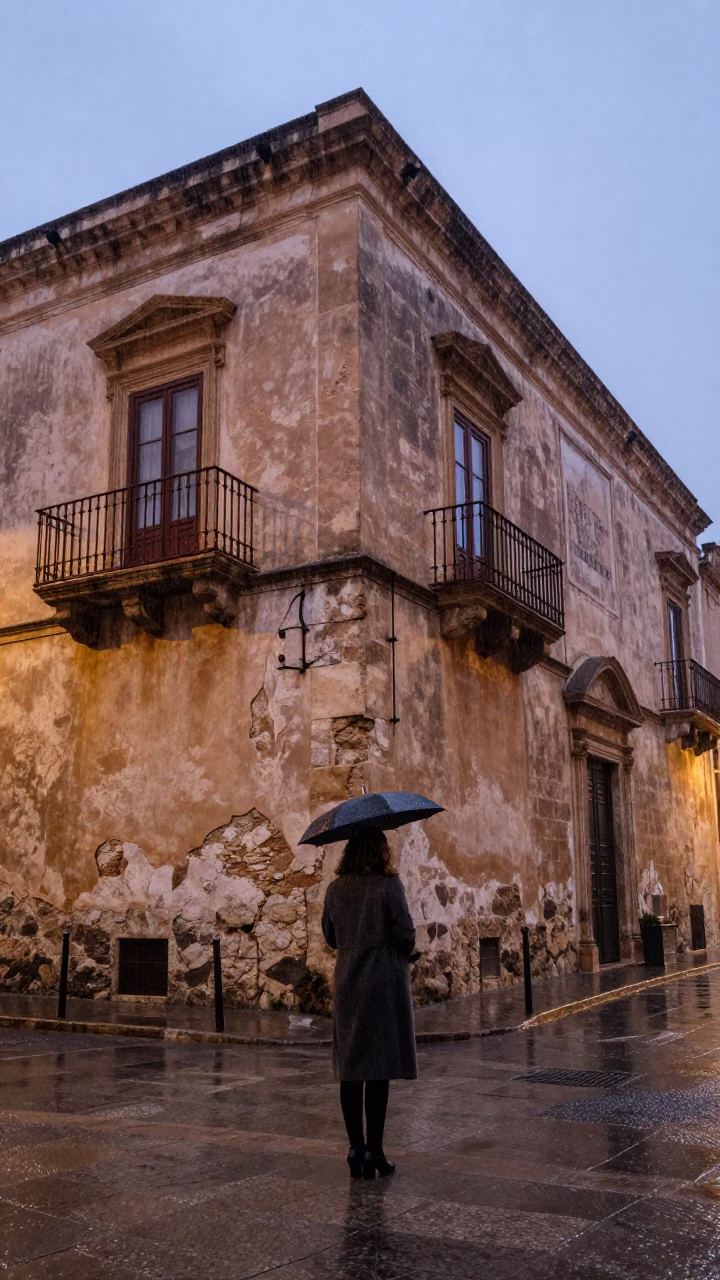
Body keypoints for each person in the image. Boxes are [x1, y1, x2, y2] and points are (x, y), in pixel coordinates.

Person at [321, 825, 418, 1180]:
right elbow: (405, 936)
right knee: (378, 1070)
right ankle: (376, 1150)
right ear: (379, 851)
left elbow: (331, 937)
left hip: (347, 982)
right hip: (382, 984)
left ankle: (355, 1149)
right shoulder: (389, 887)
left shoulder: (335, 889)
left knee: (351, 1068)